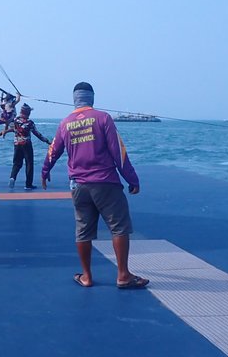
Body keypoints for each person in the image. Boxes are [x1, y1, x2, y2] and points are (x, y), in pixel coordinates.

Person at [41, 82, 148, 290]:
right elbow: (118, 152)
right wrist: (132, 179)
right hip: (106, 183)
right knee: (119, 228)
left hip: (78, 186)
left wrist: (45, 171)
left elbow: (53, 150)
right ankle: (123, 275)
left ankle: (87, 276)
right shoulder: (103, 118)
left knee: (83, 231)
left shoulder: (65, 123)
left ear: (74, 99)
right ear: (91, 97)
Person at [0, 103, 51, 190]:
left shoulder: (15, 120)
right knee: (29, 164)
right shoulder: (30, 123)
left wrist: (4, 131)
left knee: (16, 163)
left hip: (17, 144)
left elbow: (13, 129)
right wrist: (47, 141)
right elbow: (37, 134)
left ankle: (12, 177)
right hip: (26, 144)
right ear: (28, 113)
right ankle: (28, 185)